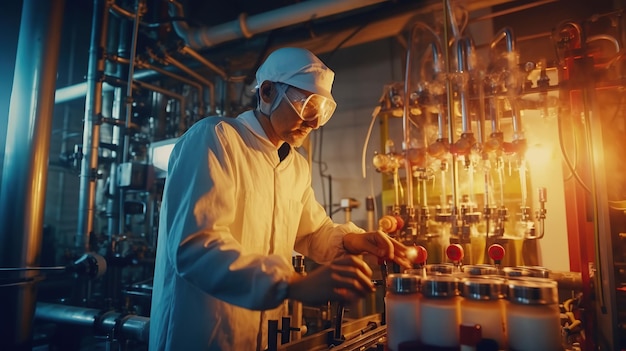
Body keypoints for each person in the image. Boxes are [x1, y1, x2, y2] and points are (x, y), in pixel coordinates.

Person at [148, 47, 413, 351]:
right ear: (267, 92)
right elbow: (196, 248)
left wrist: (354, 241)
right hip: (203, 334)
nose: (313, 122)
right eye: (306, 105)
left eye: (321, 111)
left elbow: (312, 232)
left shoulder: (294, 165)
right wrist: (292, 284)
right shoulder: (217, 138)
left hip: (264, 337)